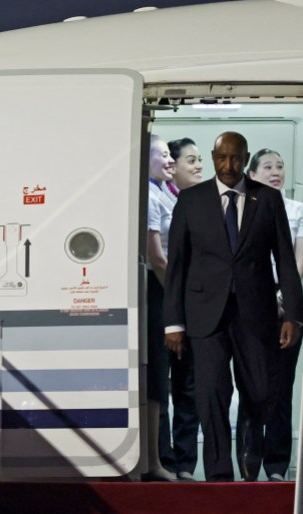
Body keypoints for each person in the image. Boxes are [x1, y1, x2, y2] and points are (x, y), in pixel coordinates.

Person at [163, 131, 303, 482]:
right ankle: (218, 477)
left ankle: (250, 455)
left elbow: (285, 261)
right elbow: (177, 265)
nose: (229, 166)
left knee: (259, 391)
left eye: (236, 159)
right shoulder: (191, 200)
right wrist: (173, 323)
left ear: (246, 158)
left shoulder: (267, 200)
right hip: (204, 315)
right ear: (214, 158)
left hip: (255, 314)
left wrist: (294, 315)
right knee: (211, 394)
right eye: (222, 158)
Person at [246, 148, 303, 481]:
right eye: (267, 166)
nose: (276, 171)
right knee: (251, 385)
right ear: (253, 174)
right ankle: (249, 461)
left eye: (280, 166)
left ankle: (276, 465)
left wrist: (280, 293)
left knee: (281, 387)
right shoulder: (245, 207)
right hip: (251, 306)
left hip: (287, 303)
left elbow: (299, 262)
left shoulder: (298, 209)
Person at [157, 138, 203, 481]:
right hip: (167, 302)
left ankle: (186, 462)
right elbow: (163, 260)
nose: (198, 166)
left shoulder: (195, 201)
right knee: (163, 382)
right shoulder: (160, 199)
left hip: (195, 305)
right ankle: (165, 459)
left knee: (189, 386)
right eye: (191, 160)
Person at [144, 134, 178, 481]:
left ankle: (155, 460)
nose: (171, 160)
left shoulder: (165, 192)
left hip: (165, 289)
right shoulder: (149, 197)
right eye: (163, 154)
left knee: (161, 375)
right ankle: (151, 462)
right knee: (155, 374)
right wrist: (178, 300)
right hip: (157, 290)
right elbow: (157, 257)